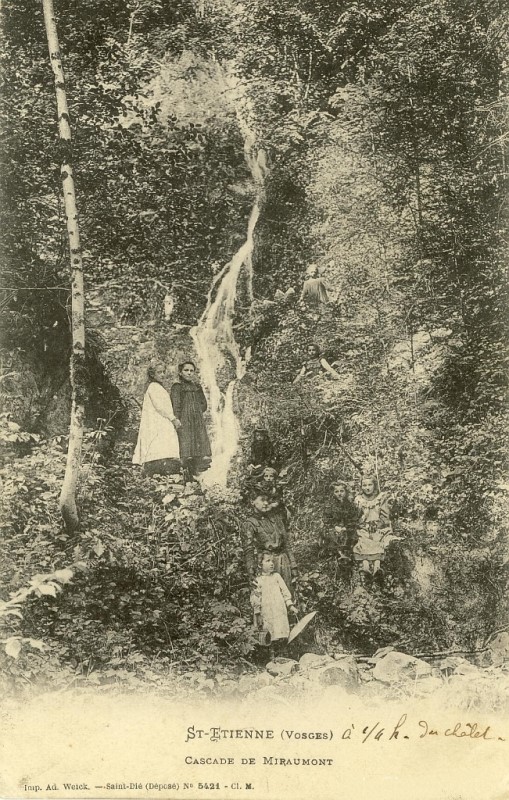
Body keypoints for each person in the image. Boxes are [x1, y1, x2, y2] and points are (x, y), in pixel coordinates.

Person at [132, 365, 182, 476]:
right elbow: (160, 407)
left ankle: (163, 472)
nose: (162, 375)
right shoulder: (154, 387)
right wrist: (173, 418)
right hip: (159, 421)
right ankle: (160, 471)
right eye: (159, 372)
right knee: (159, 445)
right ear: (152, 374)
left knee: (163, 446)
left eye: (163, 372)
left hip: (161, 420)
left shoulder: (158, 387)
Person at [242, 492, 298, 590]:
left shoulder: (277, 518)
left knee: (287, 593)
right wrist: (251, 571)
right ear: (252, 502)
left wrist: (293, 565)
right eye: (262, 500)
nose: (266, 503)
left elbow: (286, 543)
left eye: (267, 500)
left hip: (284, 563)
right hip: (266, 565)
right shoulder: (250, 524)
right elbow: (248, 550)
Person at [170, 361, 212, 480]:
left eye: (191, 371)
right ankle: (186, 464)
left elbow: (204, 404)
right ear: (180, 372)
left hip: (197, 419)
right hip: (184, 419)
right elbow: (175, 404)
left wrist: (196, 411)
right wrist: (179, 417)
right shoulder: (177, 387)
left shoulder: (197, 387)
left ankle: (199, 464)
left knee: (199, 439)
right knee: (186, 441)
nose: (189, 373)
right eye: (186, 370)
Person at [353, 474, 396, 583]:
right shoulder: (358, 500)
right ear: (361, 486)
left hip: (378, 526)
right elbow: (356, 516)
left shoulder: (381, 498)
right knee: (363, 539)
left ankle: (377, 567)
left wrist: (378, 525)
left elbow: (385, 516)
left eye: (370, 485)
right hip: (364, 527)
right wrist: (363, 524)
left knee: (378, 539)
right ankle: (365, 567)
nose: (367, 488)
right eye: (364, 485)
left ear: (374, 485)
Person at [251, 553, 298, 647]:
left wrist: (290, 605)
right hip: (266, 611)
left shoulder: (277, 576)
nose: (272, 563)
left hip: (279, 611)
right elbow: (256, 598)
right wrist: (257, 613)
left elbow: (285, 592)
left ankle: (282, 650)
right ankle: (271, 651)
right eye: (268, 561)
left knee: (280, 632)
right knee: (268, 633)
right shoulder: (258, 580)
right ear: (260, 564)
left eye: (272, 561)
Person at [322, 481, 361, 555]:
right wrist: (335, 526)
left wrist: (346, 527)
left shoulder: (350, 505)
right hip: (335, 527)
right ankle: (337, 553)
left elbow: (354, 518)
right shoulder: (329, 505)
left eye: (342, 491)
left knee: (353, 534)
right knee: (331, 534)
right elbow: (327, 519)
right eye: (336, 492)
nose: (339, 494)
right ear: (333, 493)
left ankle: (348, 551)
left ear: (345, 492)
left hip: (347, 527)